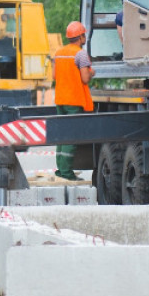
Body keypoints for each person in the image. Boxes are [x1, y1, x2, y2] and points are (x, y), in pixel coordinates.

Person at [54, 21, 94, 181]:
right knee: (71, 136)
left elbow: (54, 76)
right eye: (84, 35)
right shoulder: (81, 54)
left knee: (62, 135)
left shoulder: (59, 52)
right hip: (74, 100)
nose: (85, 38)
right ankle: (67, 173)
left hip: (60, 99)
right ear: (81, 37)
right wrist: (91, 73)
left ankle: (60, 170)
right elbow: (85, 78)